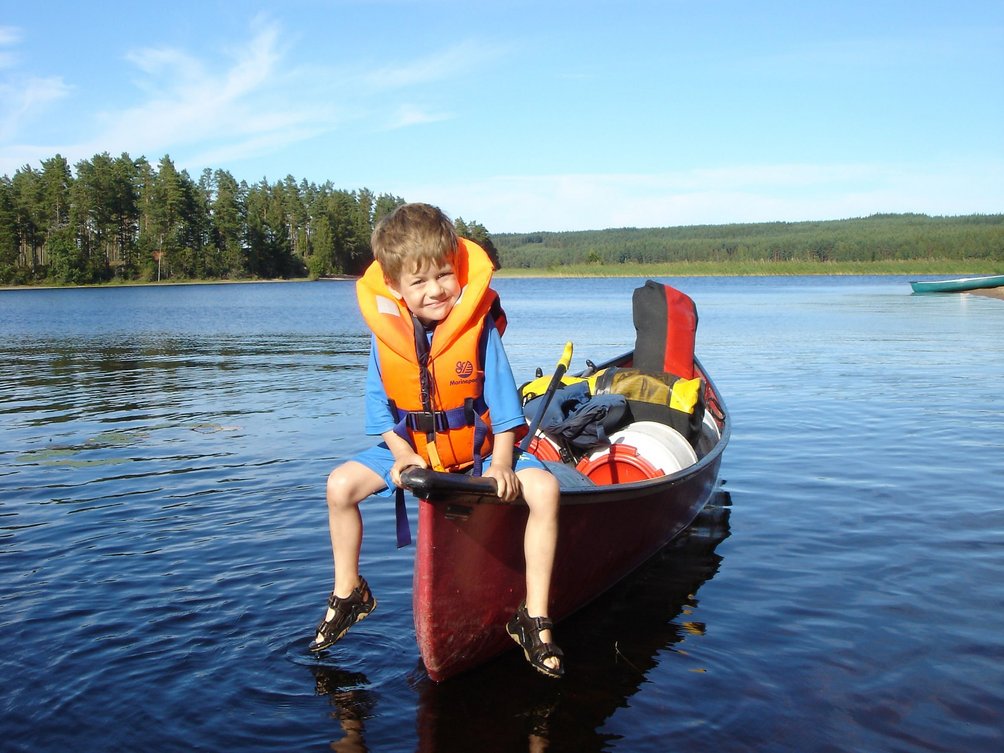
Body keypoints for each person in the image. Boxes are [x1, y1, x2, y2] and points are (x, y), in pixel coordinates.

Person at [309, 203, 563, 678]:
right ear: (395, 287)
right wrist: (403, 453)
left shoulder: (478, 327)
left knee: (546, 491)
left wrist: (503, 464)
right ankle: (350, 593)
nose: (436, 291)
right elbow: (379, 407)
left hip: (482, 451)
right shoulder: (388, 335)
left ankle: (534, 617)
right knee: (339, 485)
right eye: (419, 282)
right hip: (416, 452)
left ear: (458, 270)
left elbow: (506, 407)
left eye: (444, 275)